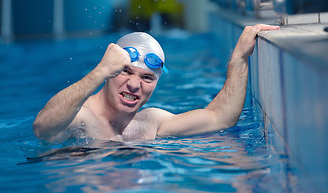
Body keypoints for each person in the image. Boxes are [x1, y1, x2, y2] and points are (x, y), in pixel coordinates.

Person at [33, 24, 279, 142]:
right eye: (124, 71)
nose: (133, 85)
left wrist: (239, 58)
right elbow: (43, 127)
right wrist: (99, 72)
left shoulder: (151, 123)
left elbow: (220, 118)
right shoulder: (83, 118)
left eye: (146, 77)